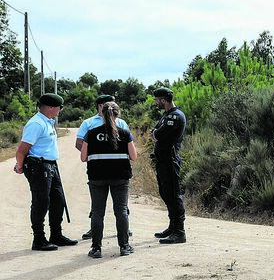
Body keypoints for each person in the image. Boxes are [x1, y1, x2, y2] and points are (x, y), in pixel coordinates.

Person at [12, 93, 78, 251]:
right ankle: (39, 239)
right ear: (50, 108)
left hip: (50, 165)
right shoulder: (36, 124)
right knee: (41, 202)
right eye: (59, 107)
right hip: (39, 166)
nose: (60, 110)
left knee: (58, 200)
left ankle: (56, 234)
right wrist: (20, 166)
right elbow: (22, 150)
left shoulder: (48, 122)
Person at [80, 101, 137, 258]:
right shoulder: (125, 133)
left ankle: (96, 248)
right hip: (120, 177)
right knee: (121, 211)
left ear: (102, 114)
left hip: (97, 177)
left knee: (97, 212)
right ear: (118, 114)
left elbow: (83, 157)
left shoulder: (91, 133)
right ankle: (124, 246)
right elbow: (133, 156)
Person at [150, 87, 187, 244]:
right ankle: (172, 227)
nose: (156, 102)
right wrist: (156, 134)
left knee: (173, 193)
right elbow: (154, 133)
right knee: (165, 193)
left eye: (157, 99)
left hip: (170, 159)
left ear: (163, 100)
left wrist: (156, 134)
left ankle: (179, 231)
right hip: (162, 159)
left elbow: (157, 134)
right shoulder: (166, 115)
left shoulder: (175, 116)